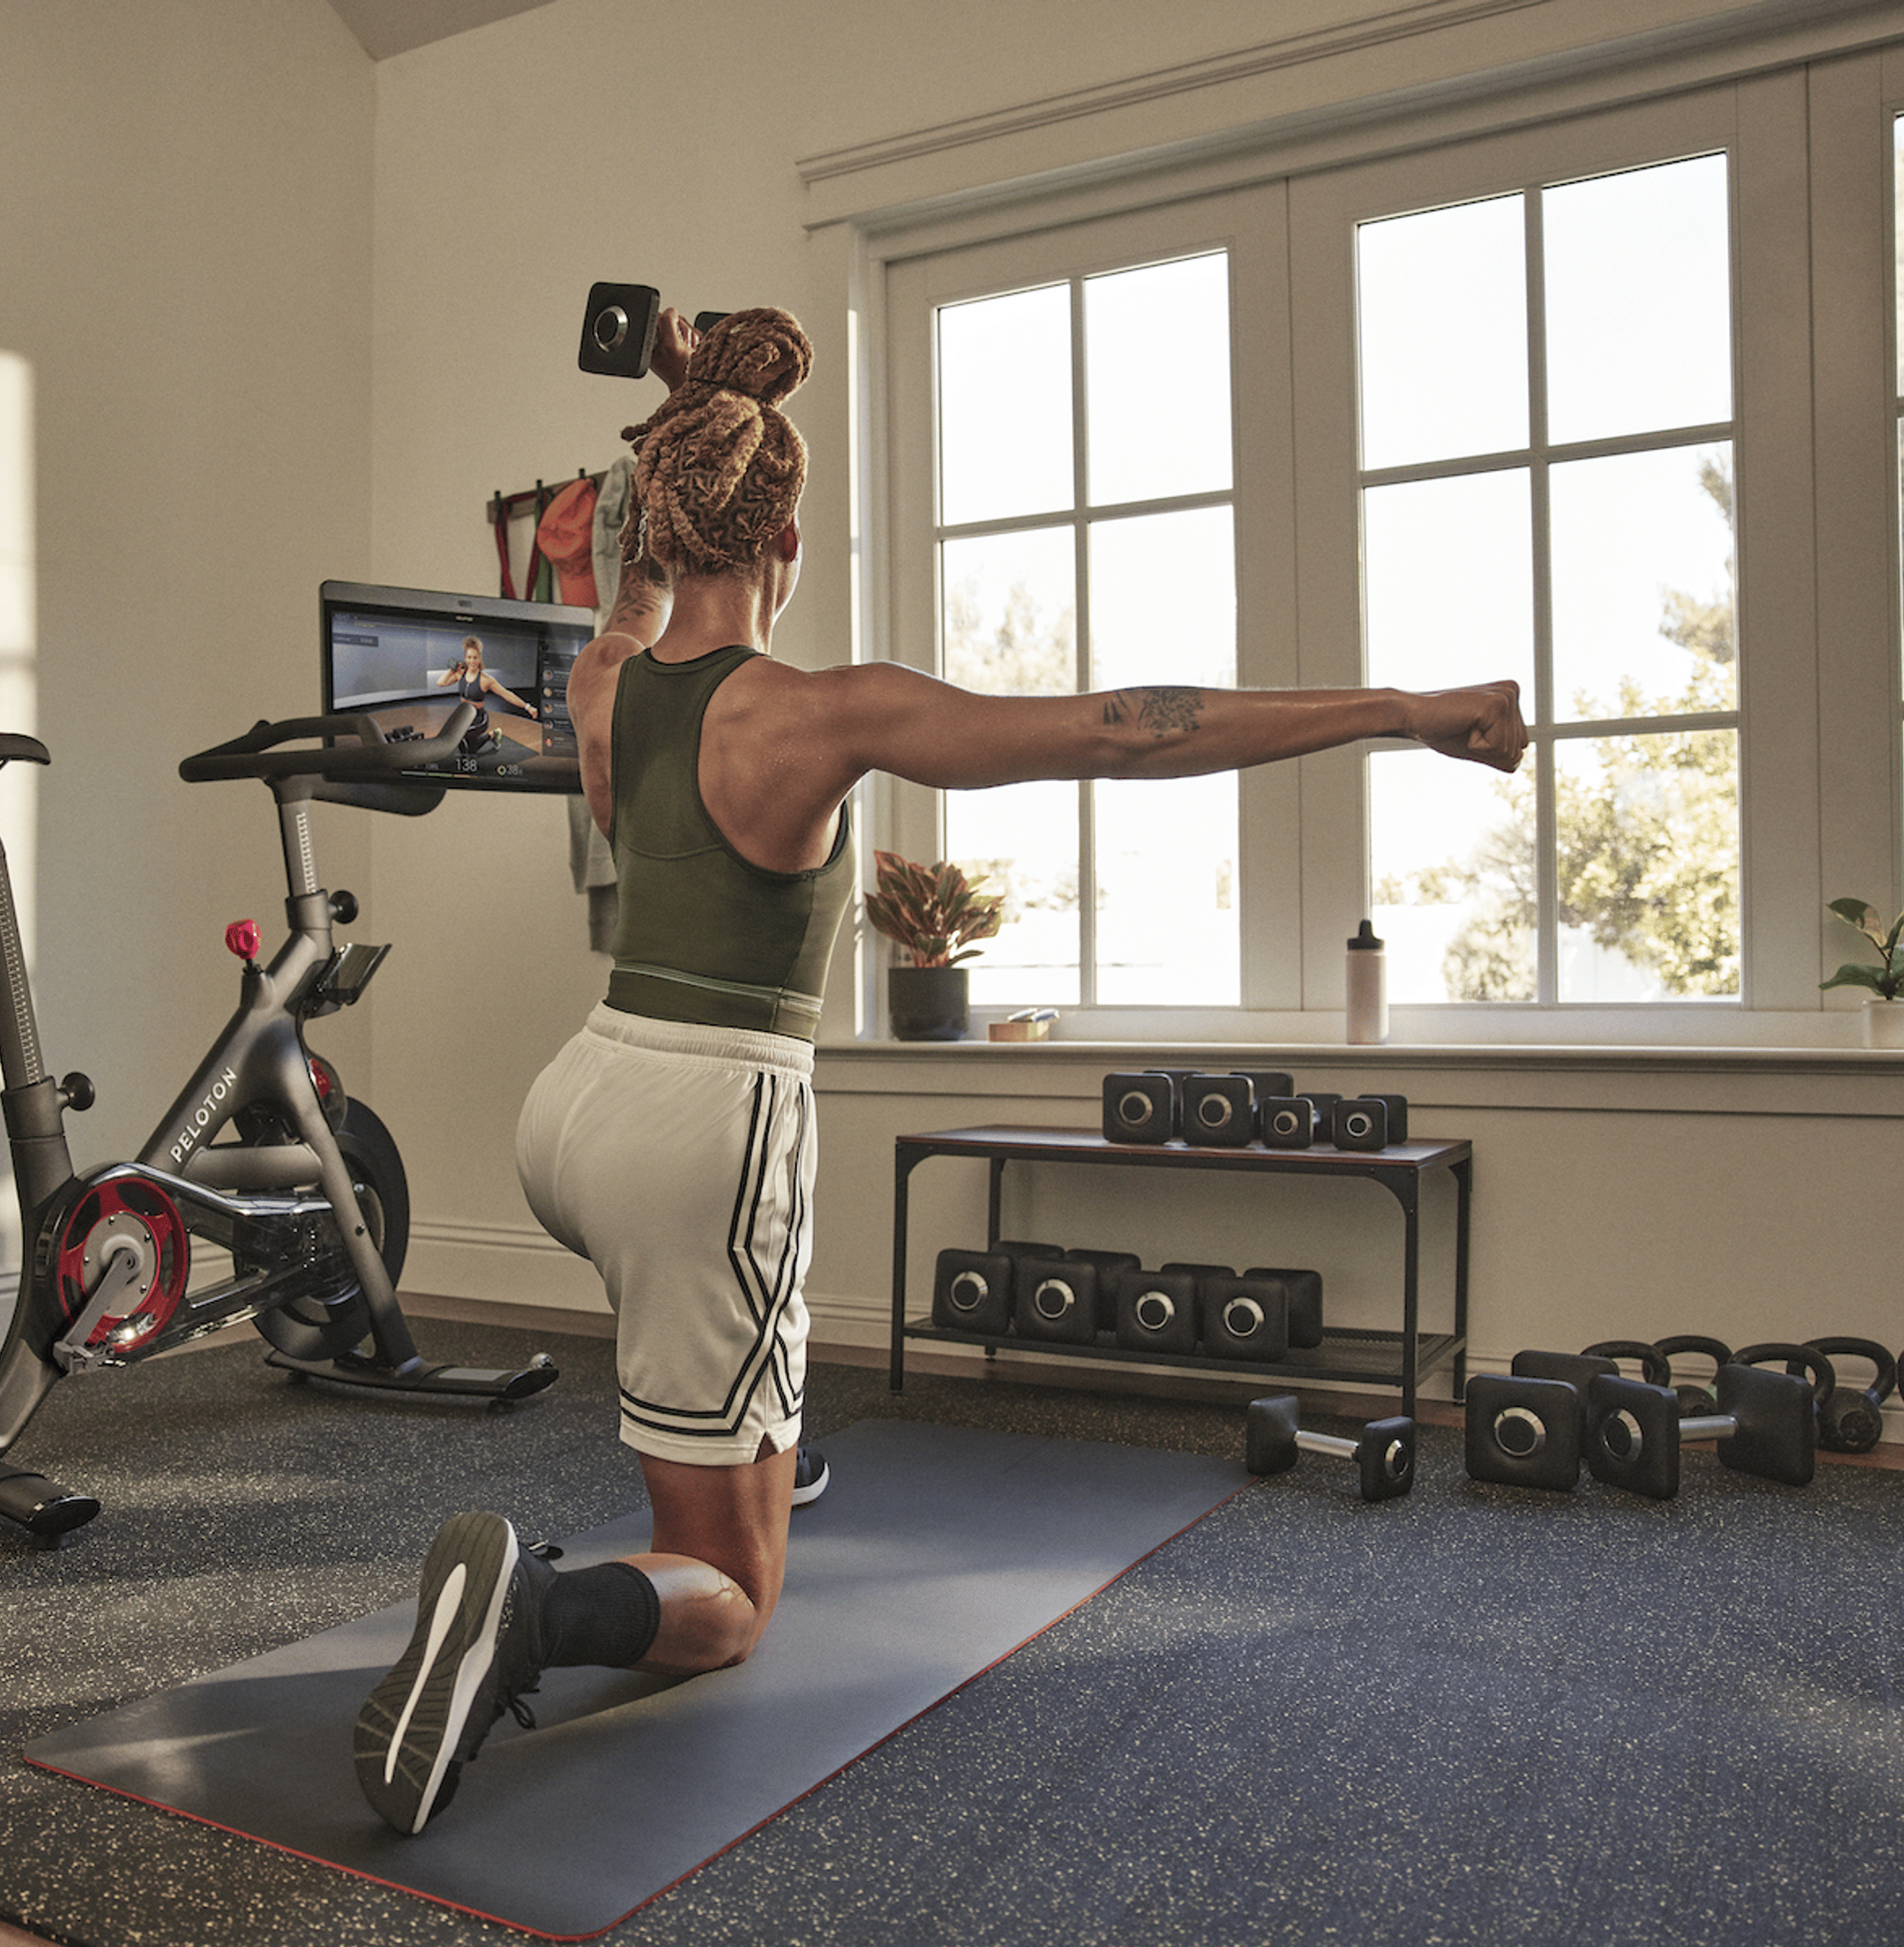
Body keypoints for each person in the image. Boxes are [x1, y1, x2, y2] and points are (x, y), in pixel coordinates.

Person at [352, 306, 1525, 1836]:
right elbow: (1120, 732)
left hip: (577, 1104)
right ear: (782, 534)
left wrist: (687, 407)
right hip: (706, 1130)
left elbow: (633, 585)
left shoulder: (607, 682)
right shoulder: (817, 711)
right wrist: (1402, 712)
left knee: (733, 1425)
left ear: (656, 522)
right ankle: (529, 1610)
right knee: (736, 1590)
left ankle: (735, 1446)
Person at [432, 634, 541, 756]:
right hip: (464, 716)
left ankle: (464, 762)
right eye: (469, 657)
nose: (472, 661)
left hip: (478, 718)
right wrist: (452, 669)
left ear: (479, 659)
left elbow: (507, 694)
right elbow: (440, 683)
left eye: (475, 657)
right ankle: (494, 735)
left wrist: (528, 707)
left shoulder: (486, 680)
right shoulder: (460, 675)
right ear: (465, 658)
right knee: (472, 748)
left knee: (458, 734)